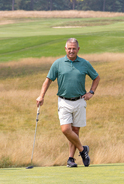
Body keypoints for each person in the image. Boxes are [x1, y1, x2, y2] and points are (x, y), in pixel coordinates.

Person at [36, 38, 100, 168]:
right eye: (69, 48)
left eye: (74, 48)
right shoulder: (58, 63)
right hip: (64, 101)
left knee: (75, 131)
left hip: (80, 101)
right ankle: (83, 150)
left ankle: (71, 159)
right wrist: (41, 96)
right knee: (66, 129)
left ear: (78, 49)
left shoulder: (84, 63)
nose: (71, 51)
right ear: (65, 49)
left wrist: (91, 92)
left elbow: (96, 77)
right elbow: (48, 80)